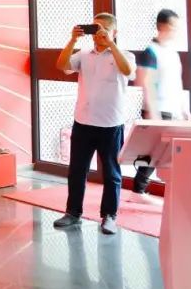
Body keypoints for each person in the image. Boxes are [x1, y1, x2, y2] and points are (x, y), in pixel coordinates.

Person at [54, 13, 136, 235]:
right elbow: (62, 65)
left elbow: (128, 71)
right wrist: (72, 40)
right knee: (77, 170)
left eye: (105, 29)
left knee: (111, 173)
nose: (99, 33)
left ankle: (109, 216)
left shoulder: (125, 55)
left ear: (115, 32)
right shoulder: (84, 54)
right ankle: (73, 212)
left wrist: (111, 45)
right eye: (96, 27)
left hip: (111, 124)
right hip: (83, 121)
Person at [132, 9, 191, 195]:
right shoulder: (151, 51)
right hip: (157, 110)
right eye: (174, 26)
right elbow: (144, 83)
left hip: (173, 110)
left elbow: (177, 82)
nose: (177, 31)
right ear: (163, 26)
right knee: (152, 155)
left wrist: (184, 109)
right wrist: (153, 113)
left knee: (170, 154)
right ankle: (138, 190)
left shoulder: (172, 52)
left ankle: (168, 191)